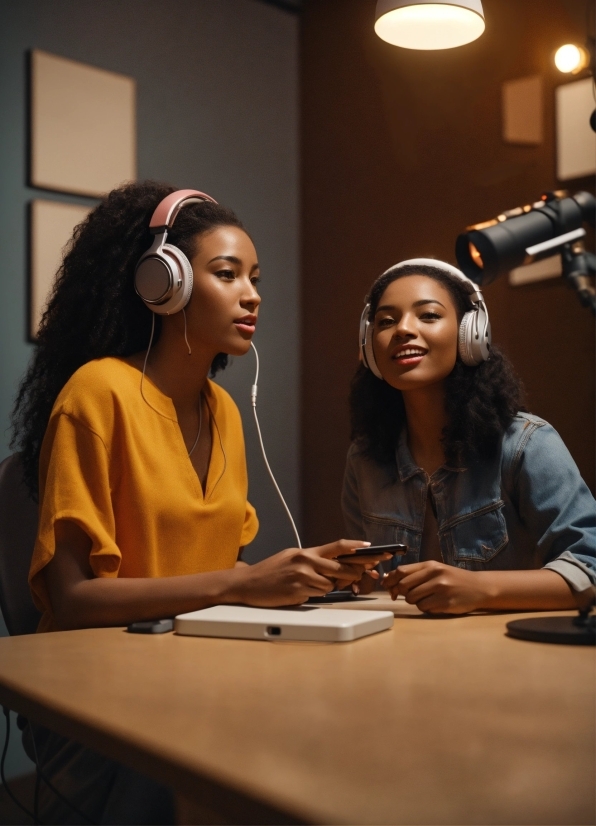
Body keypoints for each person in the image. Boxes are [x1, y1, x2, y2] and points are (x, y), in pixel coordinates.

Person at [10, 181, 382, 824]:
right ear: (165, 283)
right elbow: (71, 602)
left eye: (255, 278)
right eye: (227, 274)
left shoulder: (226, 413)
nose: (252, 294)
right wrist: (241, 585)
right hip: (105, 693)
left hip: (198, 678)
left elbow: (210, 580)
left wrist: (301, 574)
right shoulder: (98, 393)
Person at [343, 258, 596, 614]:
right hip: (398, 657)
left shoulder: (527, 444)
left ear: (471, 333)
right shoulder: (364, 459)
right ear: (369, 347)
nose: (402, 329)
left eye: (428, 315)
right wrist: (344, 575)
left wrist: (481, 589)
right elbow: (369, 580)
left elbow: (590, 567)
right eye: (386, 321)